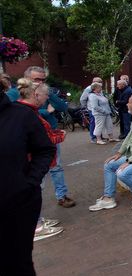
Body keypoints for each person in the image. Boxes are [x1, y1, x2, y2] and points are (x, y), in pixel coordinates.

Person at [0, 73, 55, 276]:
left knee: (15, 265)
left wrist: (29, 182)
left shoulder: (20, 116)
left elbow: (45, 150)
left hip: (15, 204)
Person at [7, 66, 76, 208]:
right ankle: (34, 214)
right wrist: (45, 111)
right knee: (35, 172)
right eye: (36, 79)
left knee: (56, 166)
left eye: (43, 79)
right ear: (26, 79)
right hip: (30, 139)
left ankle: (61, 196)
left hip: (50, 134)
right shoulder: (14, 93)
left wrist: (47, 94)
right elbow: (17, 112)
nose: (40, 82)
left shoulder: (46, 91)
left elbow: (62, 107)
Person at [15, 78, 65, 241]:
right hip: (32, 162)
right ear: (36, 95)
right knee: (33, 191)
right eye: (44, 96)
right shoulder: (28, 113)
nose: (45, 100)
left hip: (30, 161)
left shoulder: (24, 111)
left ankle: (37, 220)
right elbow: (40, 141)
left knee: (36, 190)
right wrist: (59, 136)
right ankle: (35, 227)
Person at [80, 77, 103, 143]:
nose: (101, 84)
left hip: (99, 108)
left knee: (98, 123)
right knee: (93, 123)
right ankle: (93, 137)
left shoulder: (99, 88)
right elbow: (82, 99)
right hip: (92, 109)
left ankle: (99, 136)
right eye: (99, 82)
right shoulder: (89, 89)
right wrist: (86, 107)